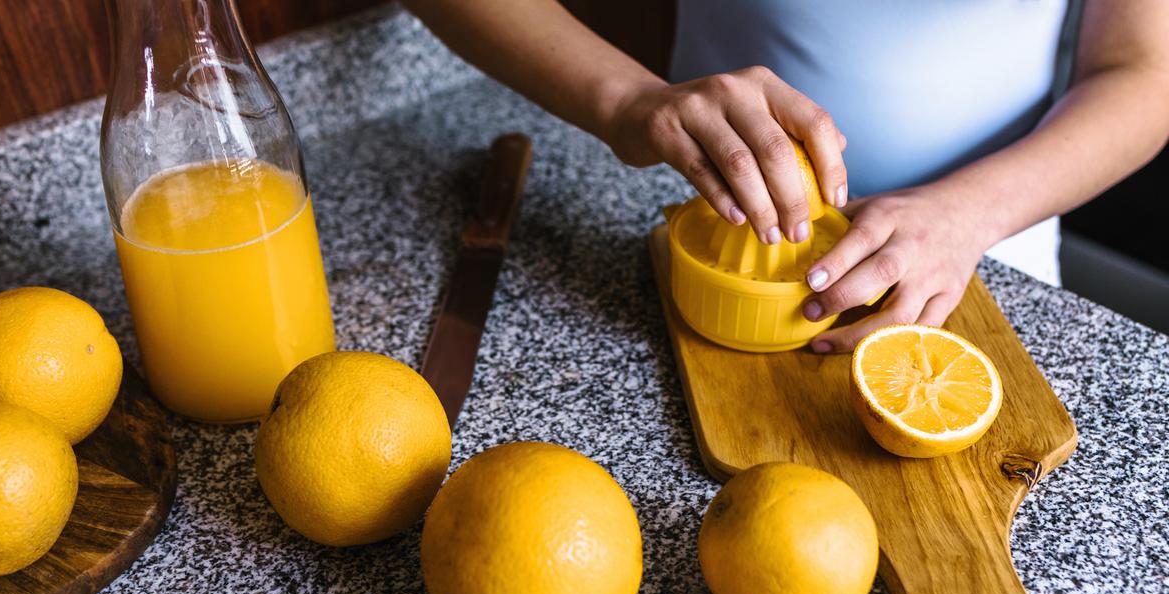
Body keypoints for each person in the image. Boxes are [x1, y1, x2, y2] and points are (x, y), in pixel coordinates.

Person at [403, 0, 1169, 352]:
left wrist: (969, 213)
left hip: (995, 254)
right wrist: (627, 100)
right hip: (708, 244)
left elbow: (1144, 69)